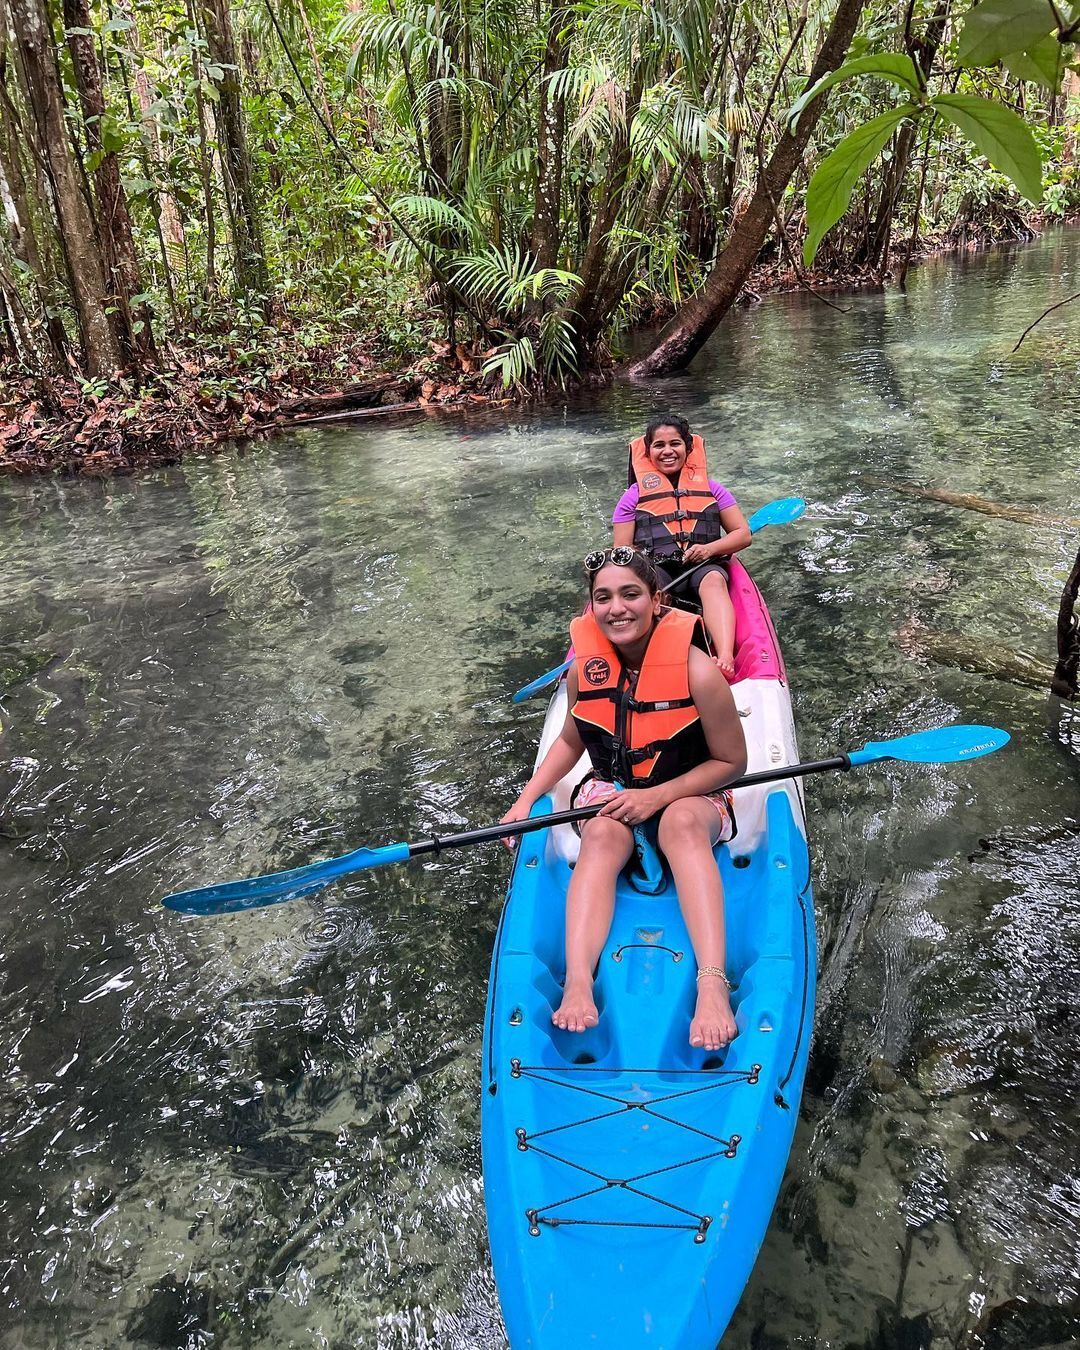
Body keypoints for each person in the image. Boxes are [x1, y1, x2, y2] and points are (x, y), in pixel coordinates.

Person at [500, 548, 748, 1052]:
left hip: (689, 792)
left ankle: (712, 982)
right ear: (590, 607)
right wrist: (524, 801)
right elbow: (572, 740)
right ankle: (577, 983)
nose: (617, 608)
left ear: (656, 600)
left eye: (630, 594)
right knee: (602, 833)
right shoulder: (582, 673)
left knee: (678, 823)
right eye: (603, 597)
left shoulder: (698, 671)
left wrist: (656, 796)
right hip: (614, 789)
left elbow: (731, 762)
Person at [612, 415, 751, 682]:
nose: (667, 451)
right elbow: (622, 549)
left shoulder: (713, 490)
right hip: (658, 567)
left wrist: (709, 549)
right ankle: (651, 659)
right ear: (647, 451)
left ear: (688, 448)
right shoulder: (632, 497)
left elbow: (742, 535)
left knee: (713, 581)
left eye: (675, 443)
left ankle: (724, 656)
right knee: (651, 594)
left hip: (703, 564)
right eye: (658, 445)